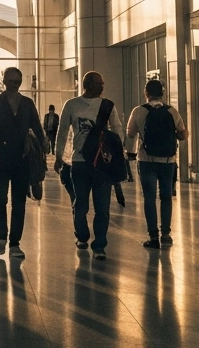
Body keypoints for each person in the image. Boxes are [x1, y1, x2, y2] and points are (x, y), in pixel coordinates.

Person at [55, 72, 122, 260]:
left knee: (102, 206)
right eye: (100, 84)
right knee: (80, 203)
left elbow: (117, 130)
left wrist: (116, 154)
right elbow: (62, 131)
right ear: (89, 85)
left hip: (102, 164)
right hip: (79, 161)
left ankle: (99, 244)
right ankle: (82, 235)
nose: (102, 87)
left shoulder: (108, 105)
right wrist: (59, 156)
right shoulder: (71, 105)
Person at [0, 67, 46, 258]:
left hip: (22, 159)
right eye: (11, 81)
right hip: (0, 158)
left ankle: (15, 243)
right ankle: (2, 236)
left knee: (19, 202)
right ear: (4, 81)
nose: (14, 85)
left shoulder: (27, 103)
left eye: (17, 82)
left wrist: (42, 153)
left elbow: (37, 128)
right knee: (0, 198)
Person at [124, 79, 187, 249]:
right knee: (166, 197)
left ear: (146, 93)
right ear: (162, 93)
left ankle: (153, 237)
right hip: (168, 161)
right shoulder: (172, 111)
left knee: (149, 198)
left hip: (146, 160)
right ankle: (166, 234)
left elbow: (130, 134)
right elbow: (183, 135)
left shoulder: (138, 111)